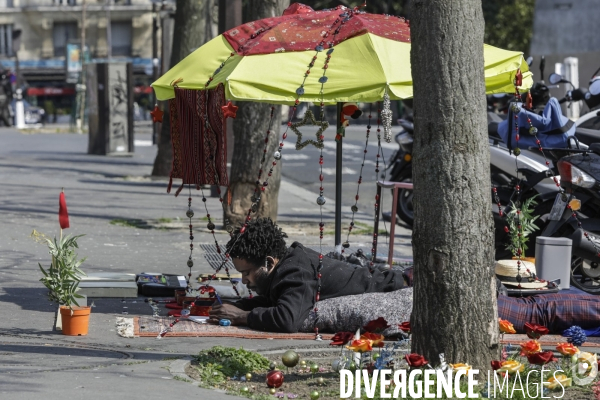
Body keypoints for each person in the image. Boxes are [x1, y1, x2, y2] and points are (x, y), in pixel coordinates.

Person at [208, 218, 406, 333]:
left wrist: (242, 316)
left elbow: (287, 319)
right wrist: (237, 305)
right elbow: (275, 299)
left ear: (269, 263)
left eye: (247, 273)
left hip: (397, 290)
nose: (244, 280)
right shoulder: (285, 265)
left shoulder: (295, 272)